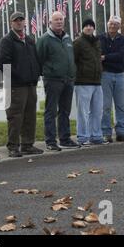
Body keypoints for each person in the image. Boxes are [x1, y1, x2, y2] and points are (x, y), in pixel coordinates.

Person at [0, 12, 42, 157]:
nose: (19, 23)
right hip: (16, 85)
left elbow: (35, 59)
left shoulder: (29, 40)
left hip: (30, 84)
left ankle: (27, 144)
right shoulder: (7, 40)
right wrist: (19, 77)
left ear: (25, 22)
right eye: (16, 21)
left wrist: (35, 74)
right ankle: (13, 146)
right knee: (15, 116)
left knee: (30, 115)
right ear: (11, 23)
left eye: (21, 20)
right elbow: (3, 63)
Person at [36, 11, 79, 151]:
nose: (59, 22)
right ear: (50, 23)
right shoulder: (44, 39)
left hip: (68, 79)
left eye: (61, 19)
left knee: (65, 111)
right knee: (51, 111)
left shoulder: (67, 39)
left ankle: (65, 138)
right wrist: (49, 72)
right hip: (53, 80)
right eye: (56, 20)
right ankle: (50, 141)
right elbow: (39, 59)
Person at [99, 16, 124, 143]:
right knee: (105, 106)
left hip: (120, 74)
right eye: (111, 24)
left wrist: (105, 57)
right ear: (108, 25)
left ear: (119, 26)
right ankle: (106, 132)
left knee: (121, 106)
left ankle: (121, 132)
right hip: (105, 74)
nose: (113, 26)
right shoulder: (100, 38)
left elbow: (121, 55)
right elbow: (99, 53)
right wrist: (110, 57)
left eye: (115, 24)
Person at [73, 19, 106, 147]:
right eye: (86, 26)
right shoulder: (78, 43)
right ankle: (82, 136)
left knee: (97, 111)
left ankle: (96, 136)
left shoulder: (97, 42)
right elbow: (73, 61)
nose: (88, 28)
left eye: (91, 26)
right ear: (82, 28)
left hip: (97, 81)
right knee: (83, 112)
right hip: (83, 82)